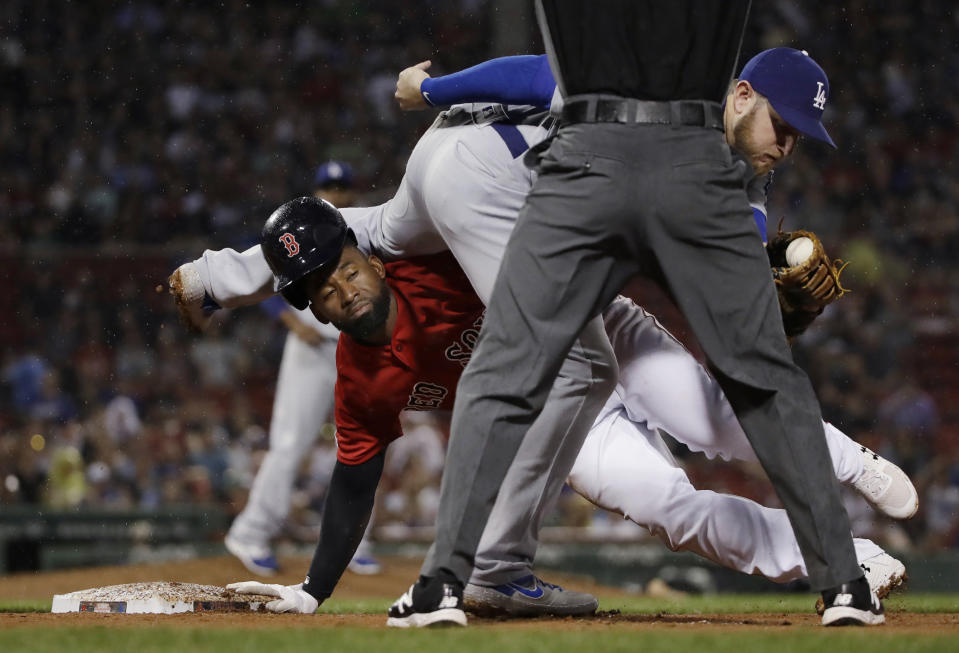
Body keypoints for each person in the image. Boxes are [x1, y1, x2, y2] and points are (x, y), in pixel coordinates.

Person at [386, 0, 883, 628]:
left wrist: (431, 92)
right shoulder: (705, 52)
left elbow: (538, 72)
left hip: (591, 165)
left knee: (508, 367)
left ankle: (440, 585)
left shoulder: (612, 30)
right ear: (743, 96)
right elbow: (536, 75)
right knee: (763, 381)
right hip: (678, 170)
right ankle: (846, 585)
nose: (786, 146)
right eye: (782, 128)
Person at [206, 197, 910, 619]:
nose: (342, 289)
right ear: (309, 307)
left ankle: (853, 462)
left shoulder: (437, 253)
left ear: (373, 256)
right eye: (321, 288)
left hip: (599, 330)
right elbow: (353, 483)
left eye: (345, 267)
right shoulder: (360, 377)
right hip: (558, 418)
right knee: (674, 511)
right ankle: (849, 559)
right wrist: (311, 590)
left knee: (720, 425)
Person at [220, 161, 382, 577]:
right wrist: (291, 322)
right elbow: (262, 274)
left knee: (368, 443)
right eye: (328, 185)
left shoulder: (360, 230)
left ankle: (355, 542)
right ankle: (250, 532)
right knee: (290, 443)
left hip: (357, 344)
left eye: (342, 186)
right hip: (311, 350)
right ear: (315, 188)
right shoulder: (295, 227)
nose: (336, 192)